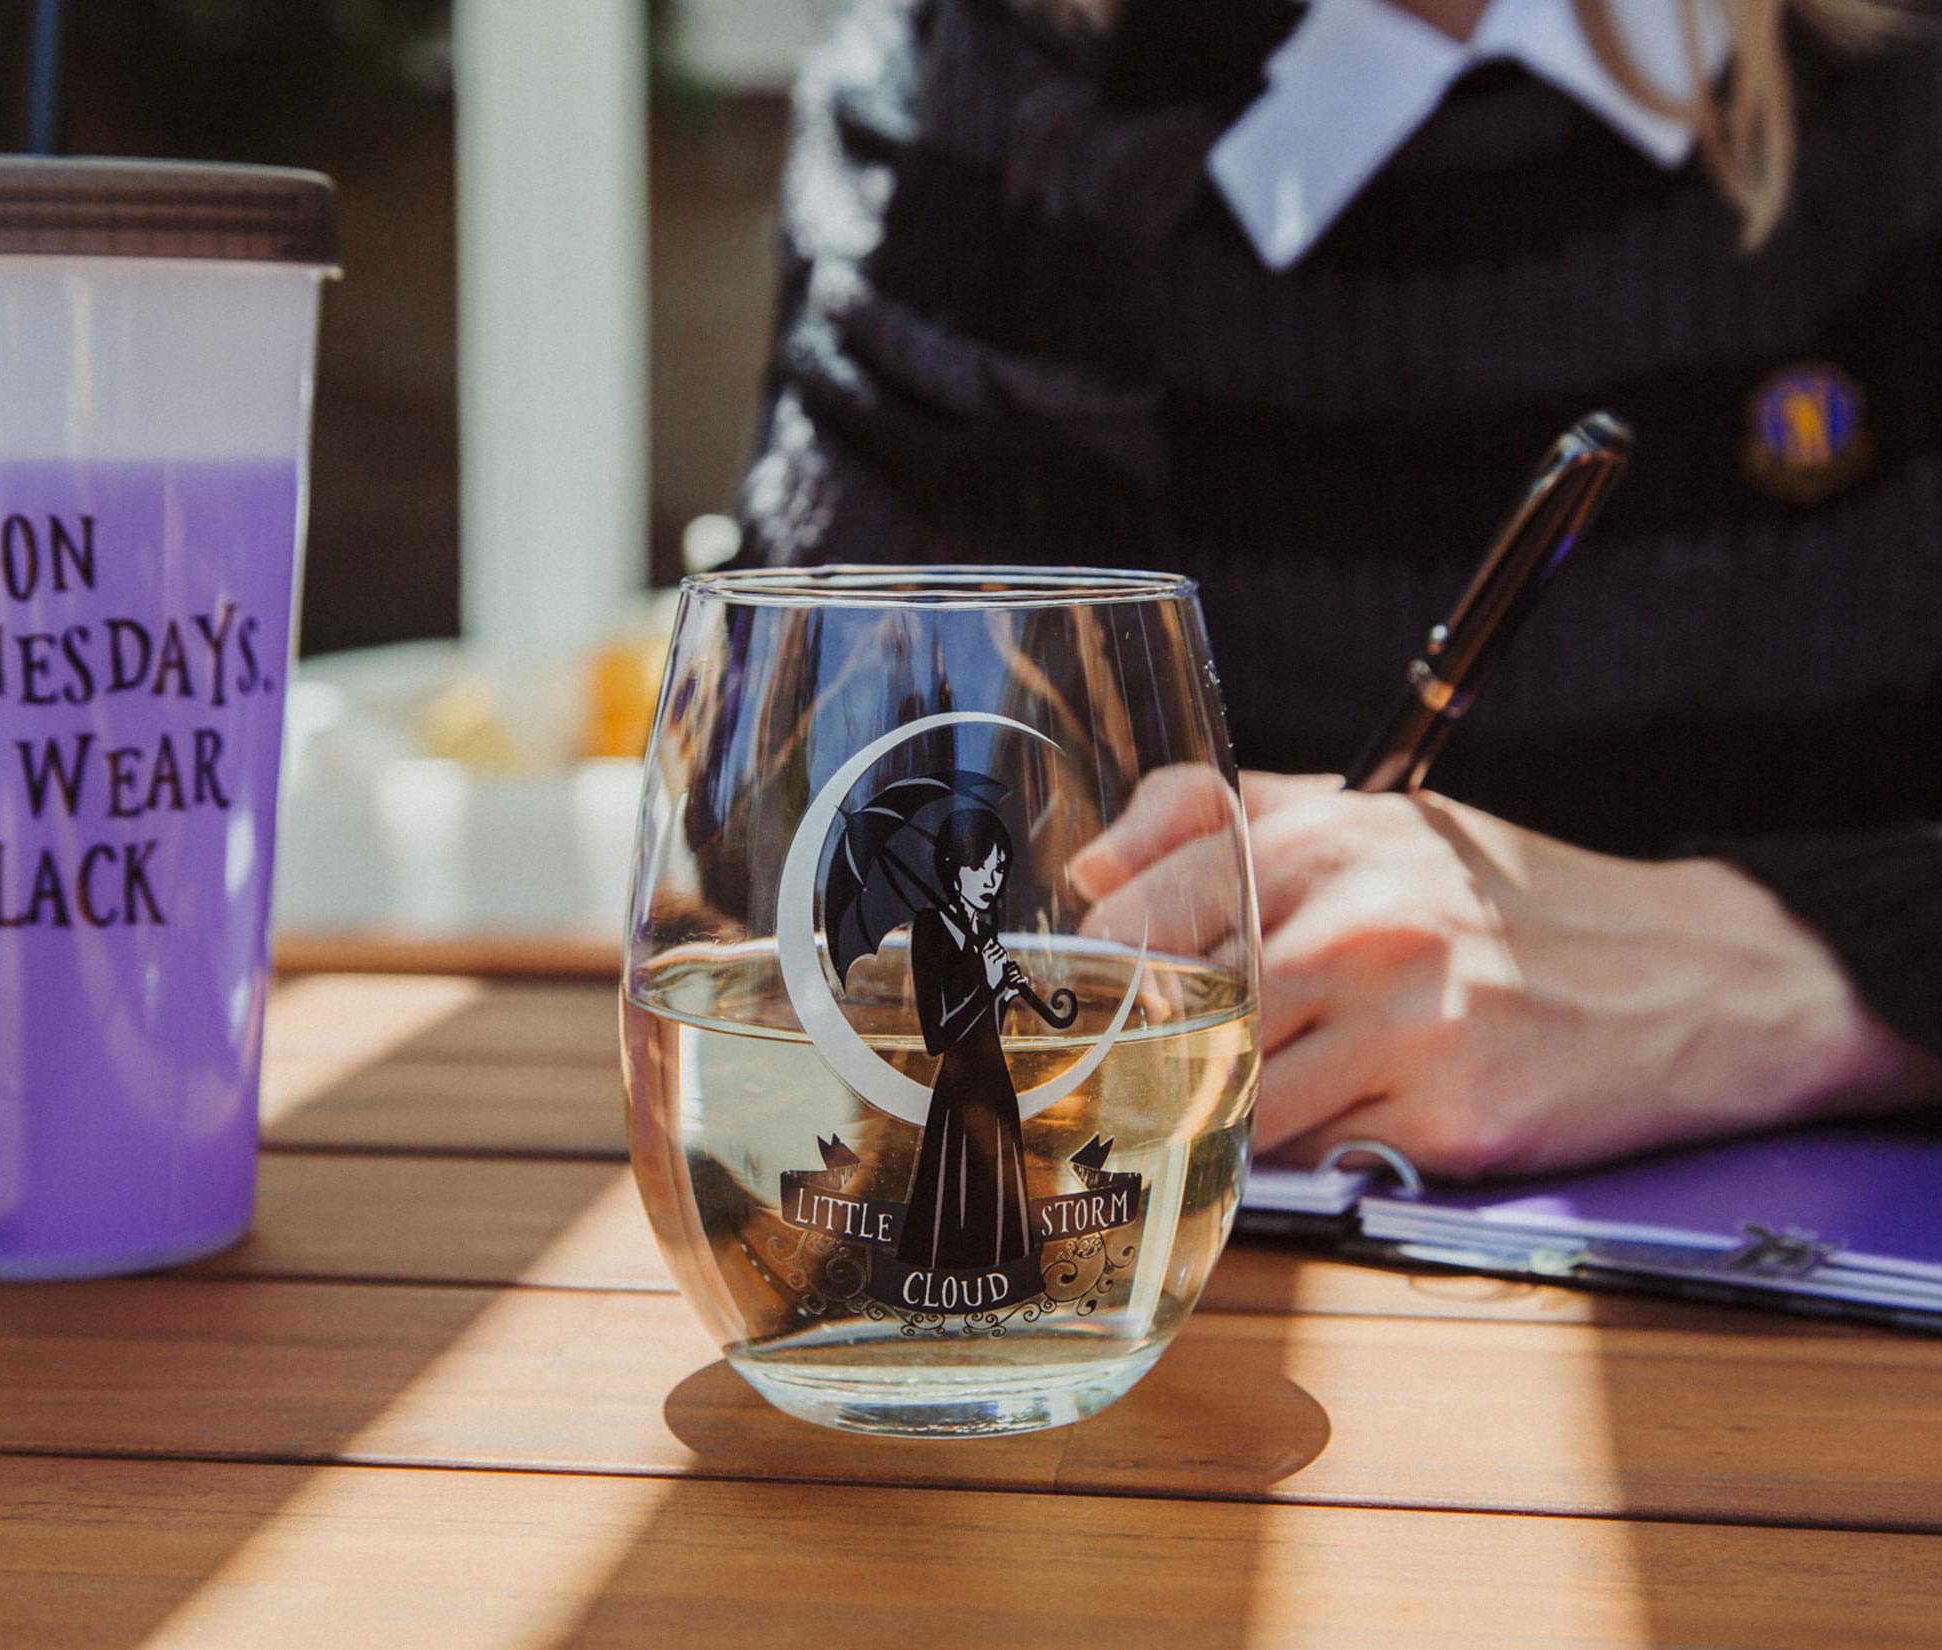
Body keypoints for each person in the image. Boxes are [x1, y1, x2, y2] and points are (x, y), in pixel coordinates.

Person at [736, 0, 1942, 1176]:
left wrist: (1769, 975)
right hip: (1162, 1276)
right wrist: (1055, 114)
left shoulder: (1900, 113)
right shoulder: (967, 108)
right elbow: (799, 905)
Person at [899, 807, 1036, 1269]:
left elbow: (982, 1026)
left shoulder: (983, 931)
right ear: (954, 870)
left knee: (996, 1202)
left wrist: (1004, 996)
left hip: (993, 1083)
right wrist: (987, 984)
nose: (992, 880)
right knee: (954, 1190)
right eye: (980, 867)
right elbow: (937, 1035)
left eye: (999, 869)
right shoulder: (930, 929)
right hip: (960, 1090)